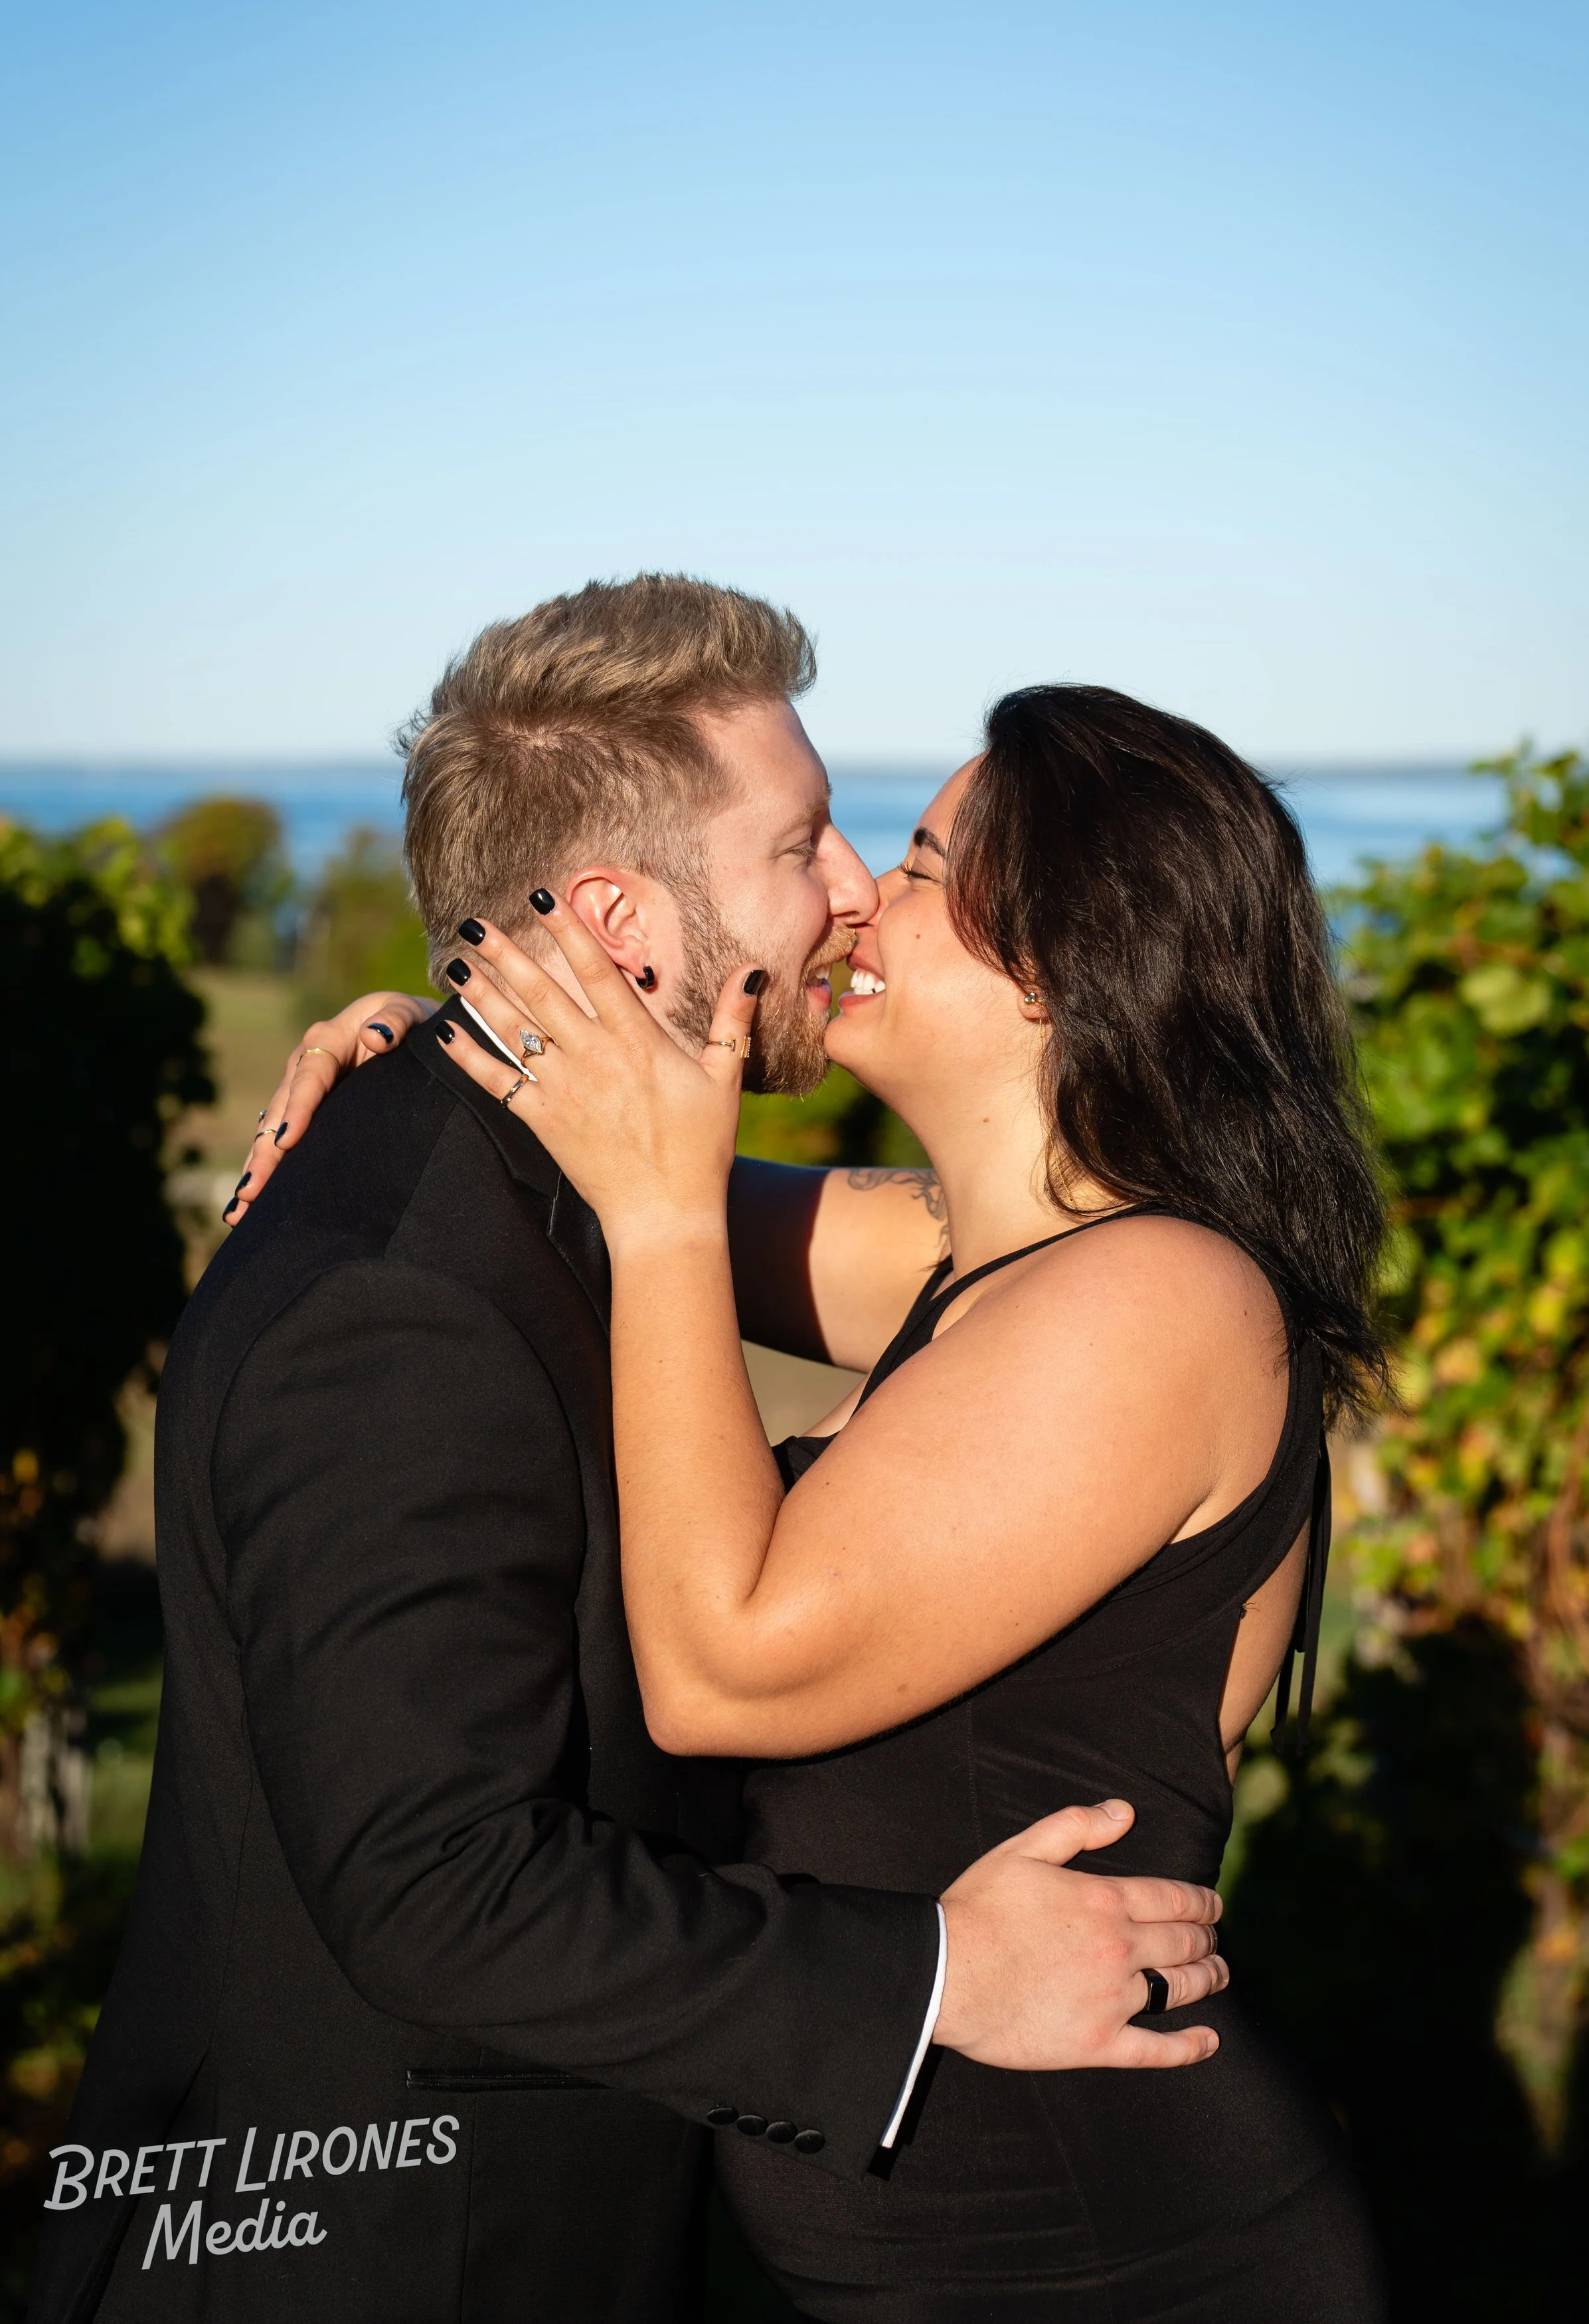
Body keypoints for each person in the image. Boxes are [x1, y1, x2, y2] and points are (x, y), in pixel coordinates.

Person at [32, 583, 1229, 2324]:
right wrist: (930, 1971)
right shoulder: (403, 1301)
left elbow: (1018, 1247)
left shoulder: (591, 1183)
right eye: (802, 841)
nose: (845, 894)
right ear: (619, 923)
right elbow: (432, 1880)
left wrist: (471, 1034)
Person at [315, 677, 1394, 2319]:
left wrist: (668, 1218)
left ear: (1061, 963)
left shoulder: (1157, 1301)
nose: (854, 899)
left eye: (918, 858)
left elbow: (723, 1665)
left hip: (1113, 2252)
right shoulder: (982, 1257)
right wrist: (424, 1042)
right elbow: (574, 1140)